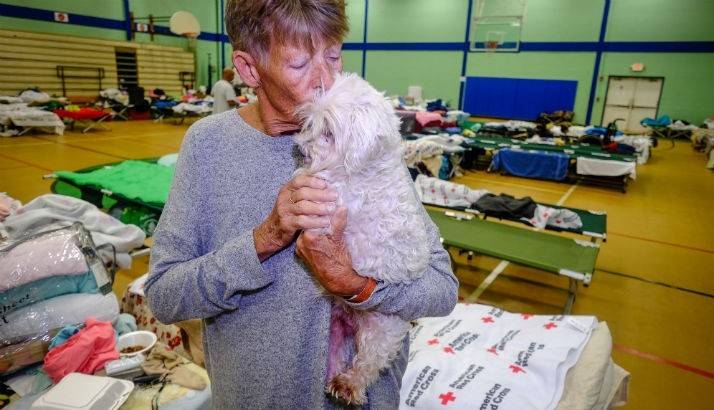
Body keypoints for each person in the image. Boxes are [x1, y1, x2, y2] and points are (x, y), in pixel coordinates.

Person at [145, 1, 458, 408]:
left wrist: (356, 287)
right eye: (298, 64)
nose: (326, 81)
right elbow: (167, 297)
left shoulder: (359, 137)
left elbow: (442, 289)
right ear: (248, 69)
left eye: (333, 56)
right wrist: (264, 239)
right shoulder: (209, 146)